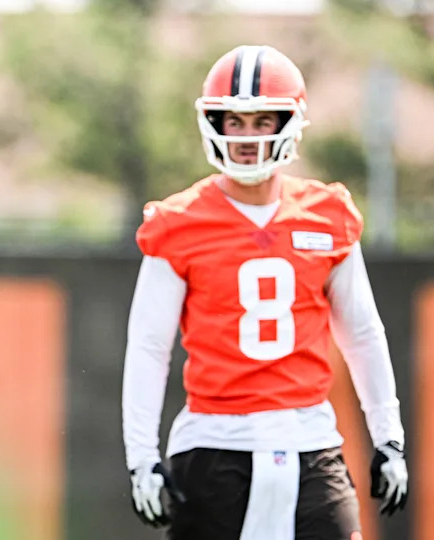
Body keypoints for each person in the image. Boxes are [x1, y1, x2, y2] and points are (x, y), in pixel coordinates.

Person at [122, 45, 408, 540]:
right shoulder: (178, 222)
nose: (248, 136)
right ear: (214, 124)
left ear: (290, 123)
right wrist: (140, 455)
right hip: (214, 440)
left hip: (309, 440)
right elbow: (149, 346)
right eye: (234, 121)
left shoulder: (328, 213)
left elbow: (363, 333)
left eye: (261, 121)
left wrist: (389, 437)